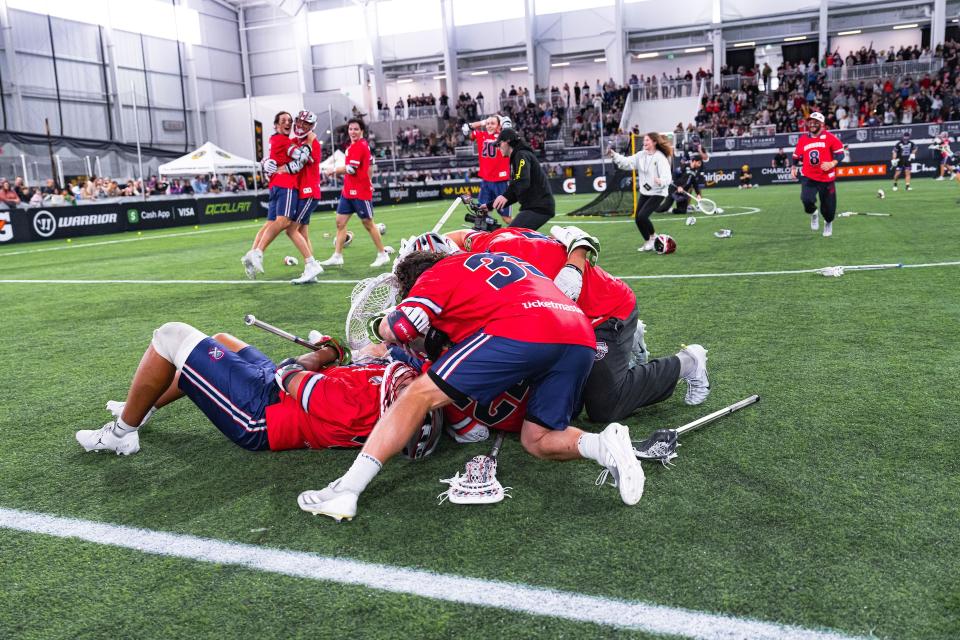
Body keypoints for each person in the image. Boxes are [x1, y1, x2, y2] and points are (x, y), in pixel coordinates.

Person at [296, 250, 647, 522]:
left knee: (418, 394)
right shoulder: (492, 262)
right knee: (536, 439)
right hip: (578, 332)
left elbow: (400, 327)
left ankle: (347, 489)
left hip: (524, 325)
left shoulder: (437, 275)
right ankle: (603, 445)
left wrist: (381, 327)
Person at [442, 227, 710, 423]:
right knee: (561, 401)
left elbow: (575, 237)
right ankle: (624, 344)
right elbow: (459, 235)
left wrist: (575, 263)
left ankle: (687, 362)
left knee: (605, 406)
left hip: (603, 314)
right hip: (568, 315)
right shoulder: (484, 247)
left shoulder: (514, 259)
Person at [74, 322, 439, 456]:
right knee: (221, 341)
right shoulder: (385, 390)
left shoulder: (361, 401)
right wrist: (337, 354)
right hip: (279, 397)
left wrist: (322, 355)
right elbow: (360, 365)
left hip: (261, 415)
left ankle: (123, 433)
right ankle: (142, 406)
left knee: (171, 335)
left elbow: (288, 374)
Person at [242, 111, 319, 279]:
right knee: (289, 227)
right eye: (297, 122)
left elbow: (297, 163)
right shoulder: (291, 141)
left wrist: (273, 165)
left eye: (291, 121)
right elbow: (290, 156)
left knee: (289, 228)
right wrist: (266, 162)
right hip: (289, 187)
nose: (297, 125)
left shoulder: (300, 142)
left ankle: (256, 252)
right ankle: (255, 254)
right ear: (276, 125)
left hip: (303, 190)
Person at [321, 118, 390, 268]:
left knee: (368, 223)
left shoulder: (359, 146)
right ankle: (337, 256)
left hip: (360, 192)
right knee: (340, 223)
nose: (352, 132)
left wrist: (333, 170)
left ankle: (382, 254)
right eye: (350, 129)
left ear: (362, 131)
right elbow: (370, 164)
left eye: (356, 129)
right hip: (348, 192)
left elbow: (351, 169)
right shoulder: (354, 146)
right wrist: (370, 179)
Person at [608, 132, 673, 252]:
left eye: (647, 140)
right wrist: (614, 155)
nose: (645, 142)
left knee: (643, 216)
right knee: (638, 218)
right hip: (645, 192)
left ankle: (653, 237)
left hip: (658, 193)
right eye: (644, 140)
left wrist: (661, 181)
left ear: (654, 142)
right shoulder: (640, 155)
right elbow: (626, 163)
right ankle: (648, 241)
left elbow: (667, 177)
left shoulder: (660, 157)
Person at [791, 111, 845, 238]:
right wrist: (793, 167)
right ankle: (814, 213)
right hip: (808, 176)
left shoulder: (830, 138)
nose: (812, 124)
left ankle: (828, 222)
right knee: (806, 200)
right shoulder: (803, 139)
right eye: (810, 121)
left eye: (816, 122)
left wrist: (832, 163)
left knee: (829, 209)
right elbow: (796, 156)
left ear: (822, 124)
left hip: (826, 178)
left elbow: (840, 153)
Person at [490, 128, 555, 230]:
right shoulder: (518, 156)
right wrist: (489, 206)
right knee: (515, 238)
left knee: (511, 236)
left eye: (499, 144)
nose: (498, 148)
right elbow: (516, 193)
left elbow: (522, 182)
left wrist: (505, 195)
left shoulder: (521, 155)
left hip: (539, 208)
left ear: (507, 141)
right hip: (535, 207)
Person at [462, 115, 512, 224]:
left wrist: (501, 121)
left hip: (501, 181)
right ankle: (489, 238)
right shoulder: (481, 135)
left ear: (499, 126)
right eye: (488, 124)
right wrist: (483, 122)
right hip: (486, 181)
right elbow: (466, 129)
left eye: (493, 123)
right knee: (482, 213)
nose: (489, 126)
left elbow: (509, 129)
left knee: (506, 218)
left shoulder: (503, 135)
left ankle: (523, 234)